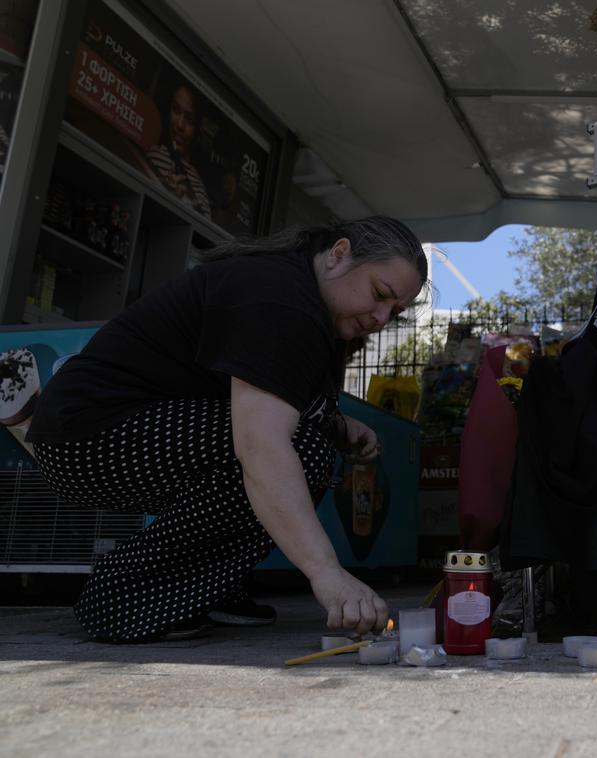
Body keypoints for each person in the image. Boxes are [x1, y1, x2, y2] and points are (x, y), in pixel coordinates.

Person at [26, 217, 427, 643]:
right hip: (85, 438)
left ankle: (196, 591)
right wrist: (326, 572)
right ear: (339, 254)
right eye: (380, 294)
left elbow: (274, 400)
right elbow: (262, 446)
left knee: (306, 446)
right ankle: (124, 595)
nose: (382, 317)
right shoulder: (281, 297)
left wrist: (338, 424)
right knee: (298, 452)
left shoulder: (299, 296)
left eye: (395, 312)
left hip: (107, 432)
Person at [145, 82, 211, 218]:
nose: (180, 125)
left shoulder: (199, 183)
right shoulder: (156, 155)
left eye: (189, 119)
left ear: (197, 129)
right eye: (175, 110)